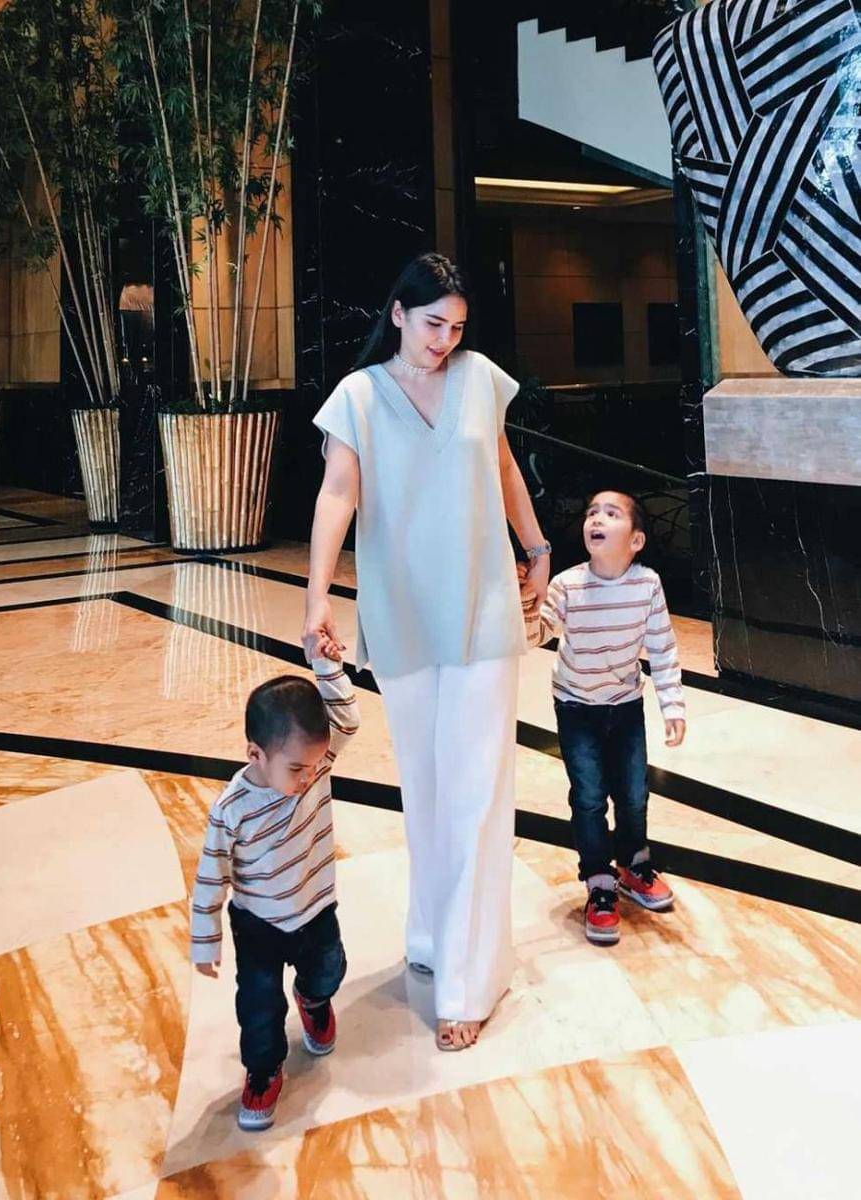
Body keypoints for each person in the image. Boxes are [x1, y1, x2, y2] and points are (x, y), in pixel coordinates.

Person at [303, 252, 551, 1051]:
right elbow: (337, 494)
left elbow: (502, 465)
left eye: (457, 327)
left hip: (483, 608)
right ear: (398, 314)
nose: (445, 340)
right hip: (402, 612)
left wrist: (536, 546)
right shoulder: (358, 396)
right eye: (433, 323)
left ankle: (468, 982)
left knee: (476, 790)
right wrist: (316, 599)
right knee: (429, 787)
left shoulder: (479, 380)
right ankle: (434, 935)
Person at [190, 631, 360, 1131]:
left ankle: (313, 998)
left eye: (314, 766)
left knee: (329, 971)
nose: (308, 778)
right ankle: (263, 1071)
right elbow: (211, 876)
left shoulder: (316, 768)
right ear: (255, 754)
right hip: (259, 925)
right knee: (259, 1008)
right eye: (296, 769)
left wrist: (326, 666)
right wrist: (205, 940)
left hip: (316, 907)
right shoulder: (231, 810)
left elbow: (348, 719)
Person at [533, 490, 686, 946]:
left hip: (625, 705)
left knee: (634, 792)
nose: (596, 519)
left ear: (636, 540)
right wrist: (523, 609)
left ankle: (634, 864)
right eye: (591, 512)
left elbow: (662, 647)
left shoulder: (647, 585)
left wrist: (672, 704)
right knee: (588, 797)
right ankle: (599, 882)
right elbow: (540, 629)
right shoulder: (567, 585)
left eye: (611, 513)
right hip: (576, 706)